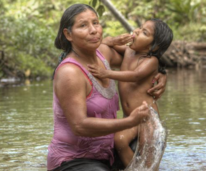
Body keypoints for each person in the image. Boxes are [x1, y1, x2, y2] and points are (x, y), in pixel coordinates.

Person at [47, 4, 167, 171]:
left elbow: (141, 61)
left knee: (150, 141)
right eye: (83, 25)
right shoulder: (70, 72)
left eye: (95, 23)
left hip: (108, 153)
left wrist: (161, 73)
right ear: (68, 34)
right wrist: (129, 121)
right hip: (76, 160)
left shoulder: (102, 53)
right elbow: (79, 126)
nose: (93, 30)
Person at [88, 18, 173, 168]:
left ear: (153, 47)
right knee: (119, 140)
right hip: (131, 117)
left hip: (147, 118)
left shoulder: (151, 60)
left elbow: (135, 76)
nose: (137, 31)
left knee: (149, 157)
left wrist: (106, 73)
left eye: (144, 32)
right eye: (139, 28)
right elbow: (103, 44)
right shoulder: (129, 51)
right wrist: (115, 40)